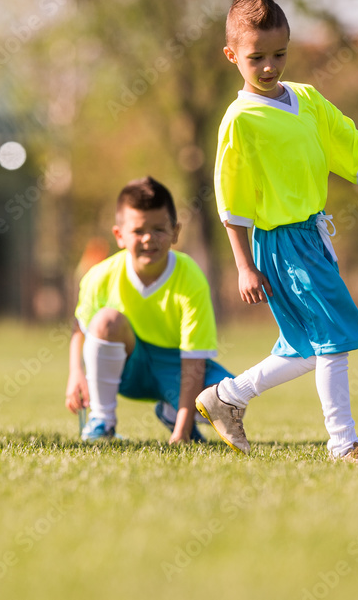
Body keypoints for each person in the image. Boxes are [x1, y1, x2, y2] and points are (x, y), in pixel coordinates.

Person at [195, 0, 358, 461]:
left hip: (313, 238)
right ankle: (343, 442)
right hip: (280, 245)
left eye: (279, 54)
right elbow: (231, 200)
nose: (269, 66)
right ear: (232, 56)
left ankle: (226, 397)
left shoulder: (306, 98)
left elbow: (345, 139)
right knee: (333, 334)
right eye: (257, 58)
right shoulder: (240, 120)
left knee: (307, 348)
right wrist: (244, 267)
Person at [65, 176, 234, 443]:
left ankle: (173, 413)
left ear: (175, 232)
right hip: (128, 369)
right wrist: (76, 372)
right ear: (119, 236)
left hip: (176, 367)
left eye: (159, 229)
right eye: (138, 231)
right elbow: (81, 328)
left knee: (230, 400)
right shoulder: (100, 276)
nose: (148, 239)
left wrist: (182, 432)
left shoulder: (191, 277)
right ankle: (102, 421)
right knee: (106, 320)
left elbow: (194, 362)